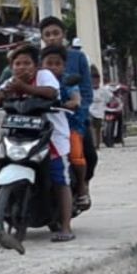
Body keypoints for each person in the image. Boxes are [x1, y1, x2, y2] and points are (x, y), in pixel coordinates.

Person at [0, 45, 74, 242]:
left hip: (51, 135)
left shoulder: (45, 77)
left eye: (27, 63)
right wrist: (4, 91)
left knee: (59, 175)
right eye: (17, 64)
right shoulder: (11, 81)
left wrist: (23, 88)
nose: (22, 67)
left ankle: (66, 227)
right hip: (20, 133)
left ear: (36, 66)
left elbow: (51, 93)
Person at [38, 16, 93, 213]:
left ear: (63, 35)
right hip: (45, 118)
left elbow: (85, 90)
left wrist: (79, 110)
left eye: (56, 33)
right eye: (47, 34)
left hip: (72, 119)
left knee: (83, 152)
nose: (52, 38)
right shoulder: (37, 60)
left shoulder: (78, 58)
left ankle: (82, 186)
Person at [89, 65, 114, 151]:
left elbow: (110, 98)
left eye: (97, 79)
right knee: (91, 126)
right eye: (93, 79)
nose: (95, 81)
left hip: (100, 113)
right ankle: (94, 144)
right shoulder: (88, 90)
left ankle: (97, 145)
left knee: (98, 128)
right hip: (90, 112)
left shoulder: (103, 90)